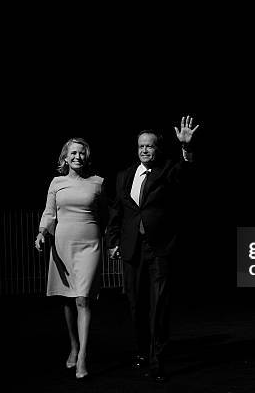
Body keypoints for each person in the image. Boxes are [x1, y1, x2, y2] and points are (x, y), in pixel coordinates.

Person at [107, 116, 199, 382]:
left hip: (159, 248)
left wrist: (186, 149)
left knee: (159, 305)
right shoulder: (125, 175)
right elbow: (118, 210)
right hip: (132, 247)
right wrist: (113, 241)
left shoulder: (168, 169)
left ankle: (158, 360)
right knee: (136, 304)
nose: (145, 150)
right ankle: (142, 351)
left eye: (150, 146)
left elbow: (187, 172)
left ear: (158, 149)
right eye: (141, 146)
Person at [34, 137, 106, 380]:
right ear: (65, 157)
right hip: (63, 244)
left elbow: (107, 213)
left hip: (90, 244)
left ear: (87, 157)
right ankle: (74, 346)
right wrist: (42, 233)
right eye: (73, 153)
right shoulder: (57, 183)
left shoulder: (98, 183)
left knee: (83, 299)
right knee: (67, 299)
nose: (77, 157)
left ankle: (83, 356)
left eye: (82, 153)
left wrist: (115, 239)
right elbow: (49, 213)